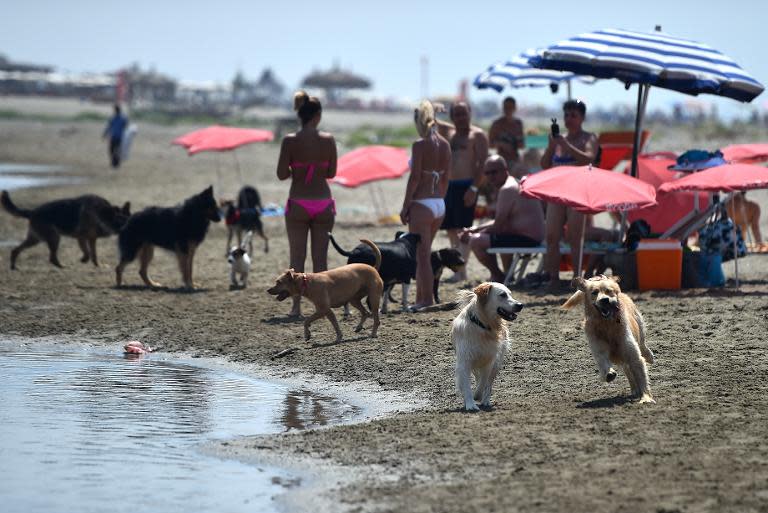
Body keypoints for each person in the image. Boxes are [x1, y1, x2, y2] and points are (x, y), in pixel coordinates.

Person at [276, 91, 338, 317]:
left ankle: (295, 307)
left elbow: (282, 174)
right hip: (323, 202)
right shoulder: (328, 140)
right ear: (318, 116)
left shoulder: (290, 140)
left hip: (299, 203)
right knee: (320, 260)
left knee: (297, 258)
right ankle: (322, 305)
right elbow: (331, 172)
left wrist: (298, 169)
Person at [540, 99, 598, 289]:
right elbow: (544, 164)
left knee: (575, 236)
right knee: (552, 236)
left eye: (573, 115)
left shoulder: (588, 138)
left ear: (582, 117)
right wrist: (552, 146)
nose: (569, 119)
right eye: (566, 115)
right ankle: (553, 278)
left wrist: (565, 146)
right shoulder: (558, 139)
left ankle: (576, 278)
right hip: (557, 192)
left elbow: (589, 159)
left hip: (577, 191)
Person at [400, 100, 451, 310]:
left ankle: (425, 300)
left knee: (421, 257)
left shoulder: (419, 145)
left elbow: (414, 178)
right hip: (439, 203)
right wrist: (439, 199)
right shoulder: (445, 144)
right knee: (426, 253)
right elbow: (447, 178)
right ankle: (421, 298)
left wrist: (405, 206)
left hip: (422, 202)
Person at [460, 155, 544, 283]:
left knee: (475, 241)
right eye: (487, 173)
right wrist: (475, 228)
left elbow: (498, 226)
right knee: (484, 236)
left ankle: (498, 276)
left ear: (505, 170)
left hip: (526, 239)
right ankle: (502, 275)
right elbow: (500, 222)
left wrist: (474, 234)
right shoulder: (513, 184)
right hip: (530, 237)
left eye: (494, 172)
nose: (490, 177)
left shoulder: (507, 189)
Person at [436, 101, 489, 282]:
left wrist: (474, 188)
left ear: (470, 113)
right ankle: (460, 270)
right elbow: (427, 120)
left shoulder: (477, 135)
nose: (460, 117)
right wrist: (434, 107)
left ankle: (459, 270)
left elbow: (482, 164)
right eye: (456, 114)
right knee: (451, 229)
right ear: (451, 116)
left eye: (463, 113)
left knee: (463, 230)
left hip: (467, 185)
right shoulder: (450, 132)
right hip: (449, 186)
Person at [488, 96, 525, 169]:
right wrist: (501, 144)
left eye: (510, 107)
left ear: (515, 108)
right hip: (501, 161)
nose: (508, 110)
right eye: (506, 107)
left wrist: (518, 143)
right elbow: (489, 144)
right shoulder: (497, 124)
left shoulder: (518, 124)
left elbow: (522, 145)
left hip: (515, 161)